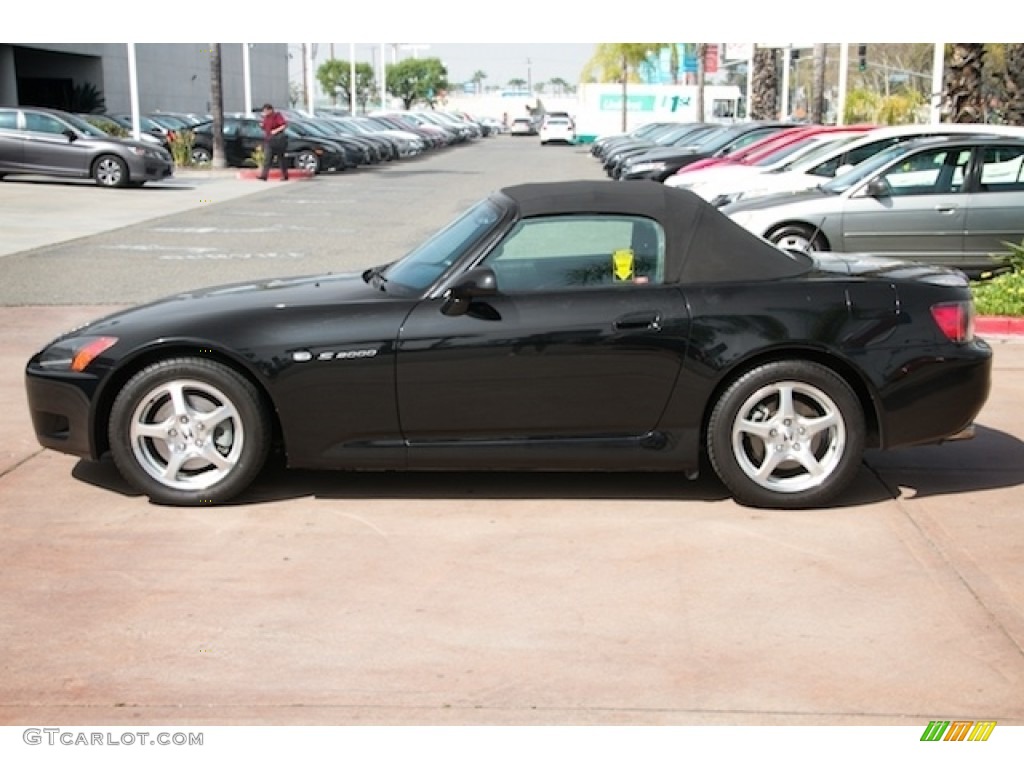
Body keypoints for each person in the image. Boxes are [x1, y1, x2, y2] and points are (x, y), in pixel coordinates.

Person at [258, 103, 289, 181]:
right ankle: (264, 175)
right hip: (268, 140)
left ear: (270, 110)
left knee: (281, 158)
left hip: (278, 140)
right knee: (267, 158)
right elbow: (265, 128)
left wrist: (275, 130)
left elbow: (283, 125)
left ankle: (284, 175)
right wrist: (262, 125)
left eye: (266, 111)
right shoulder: (265, 118)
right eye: (264, 111)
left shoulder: (277, 115)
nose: (265, 112)